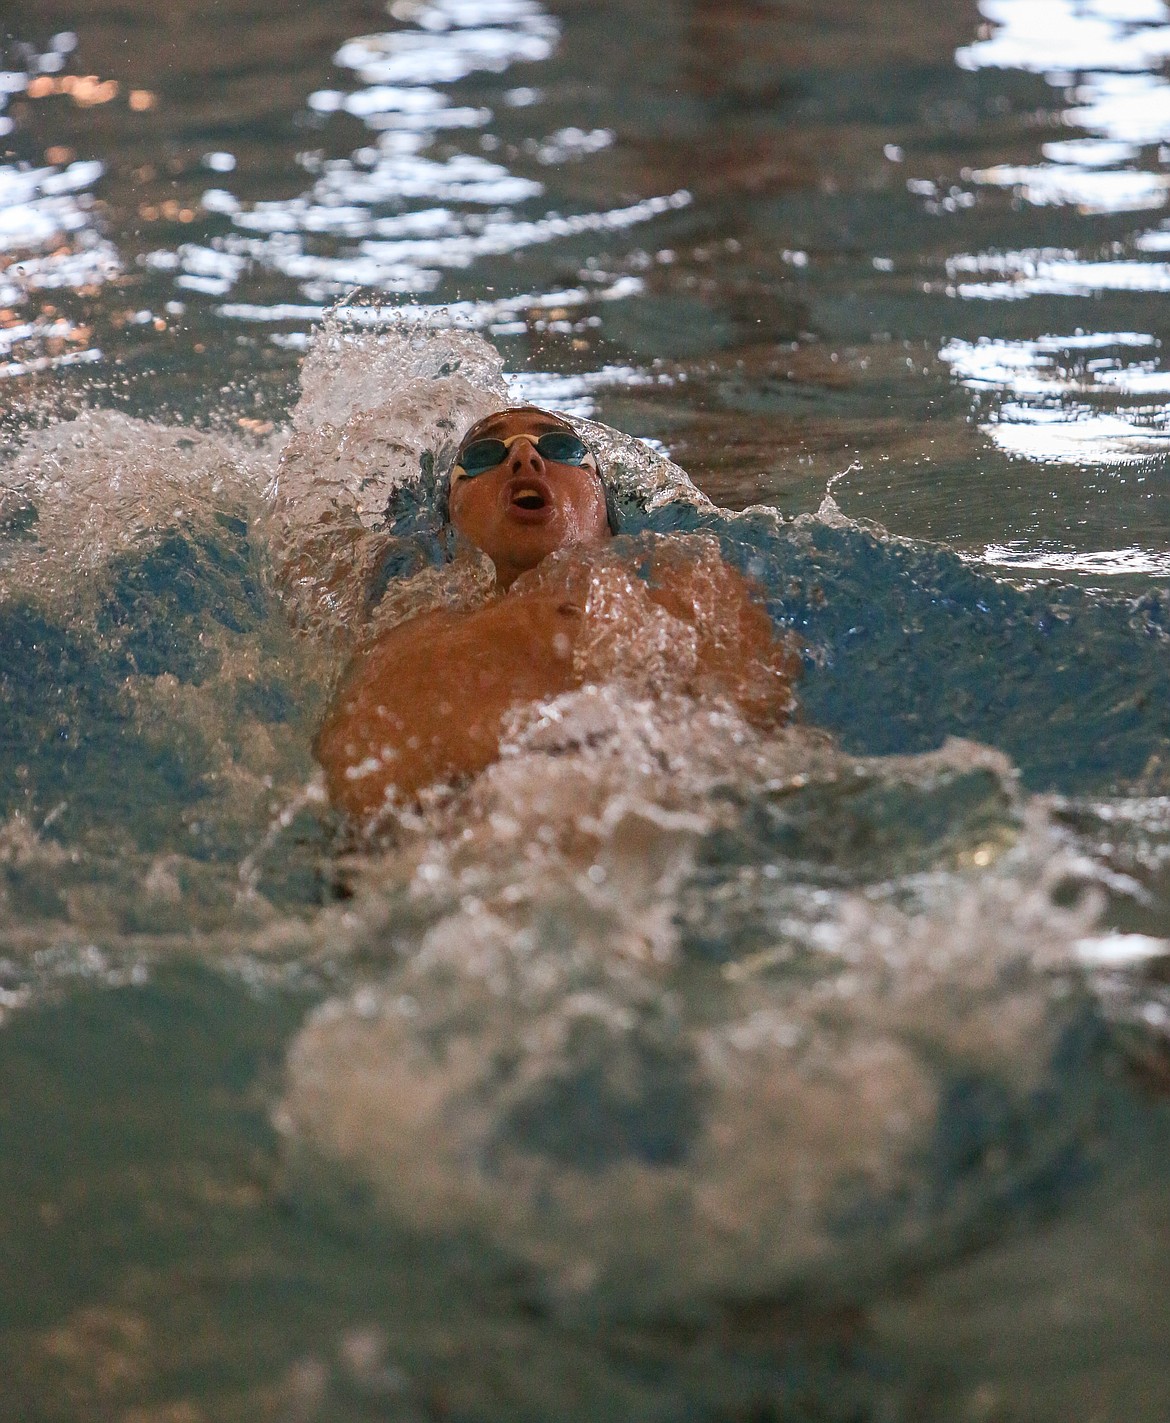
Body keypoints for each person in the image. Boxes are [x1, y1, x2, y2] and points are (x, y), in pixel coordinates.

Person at [314, 406, 799, 823]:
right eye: (484, 456)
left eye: (561, 447)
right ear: (448, 527)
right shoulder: (408, 650)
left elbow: (764, 753)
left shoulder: (696, 589)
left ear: (608, 510)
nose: (526, 458)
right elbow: (364, 821)